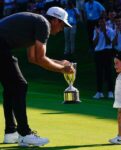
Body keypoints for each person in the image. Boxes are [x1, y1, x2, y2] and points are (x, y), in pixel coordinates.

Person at [0, 6, 74, 147]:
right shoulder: (43, 24)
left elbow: (33, 58)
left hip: (3, 47)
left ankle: (11, 133)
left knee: (11, 88)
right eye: (62, 24)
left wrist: (60, 63)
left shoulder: (36, 22)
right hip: (1, 46)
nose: (62, 29)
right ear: (55, 20)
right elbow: (40, 59)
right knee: (20, 85)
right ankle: (25, 133)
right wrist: (62, 69)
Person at [92, 16, 114, 99]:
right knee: (99, 72)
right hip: (98, 52)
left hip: (107, 52)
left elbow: (109, 43)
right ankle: (99, 92)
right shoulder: (96, 30)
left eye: (104, 22)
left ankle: (110, 92)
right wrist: (97, 34)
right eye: (101, 22)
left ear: (106, 23)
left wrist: (105, 33)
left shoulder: (110, 31)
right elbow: (94, 43)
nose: (102, 24)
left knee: (108, 72)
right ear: (99, 23)